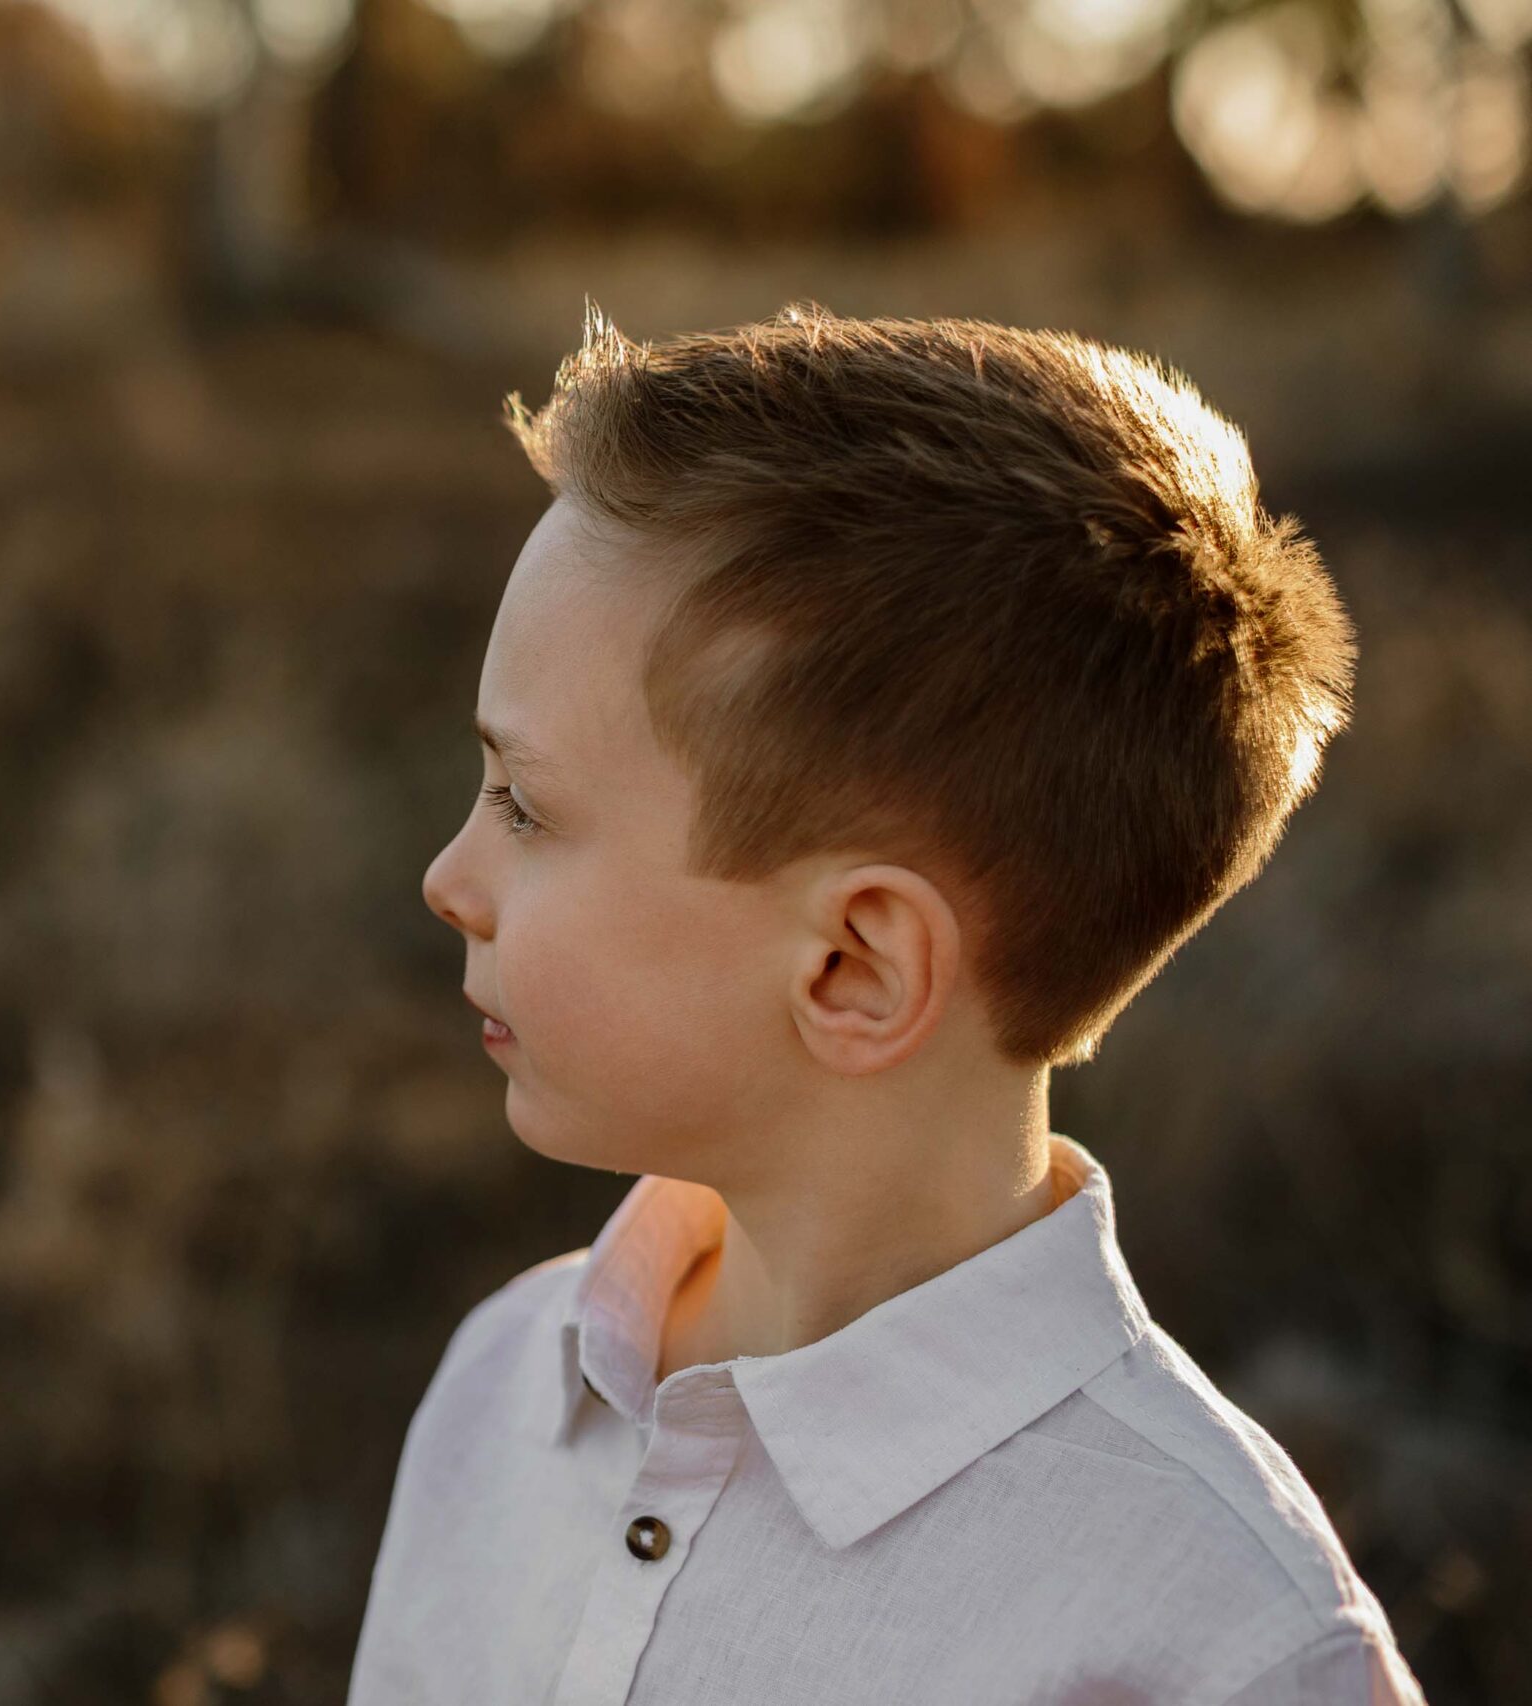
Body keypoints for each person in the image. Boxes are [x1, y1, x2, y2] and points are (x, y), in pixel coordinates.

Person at [352, 300, 1429, 1705]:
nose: (450, 876)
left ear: (853, 967)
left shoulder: (1226, 1646)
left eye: (525, 806)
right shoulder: (505, 1387)